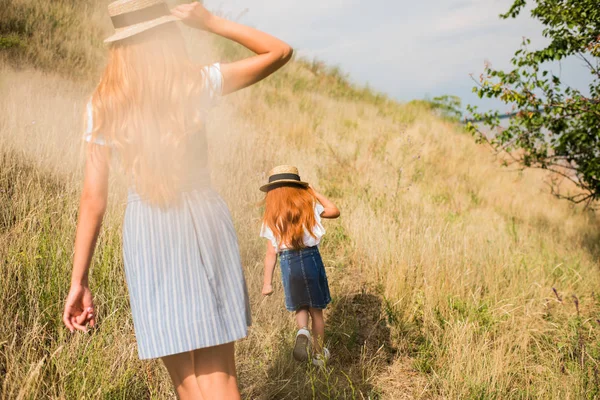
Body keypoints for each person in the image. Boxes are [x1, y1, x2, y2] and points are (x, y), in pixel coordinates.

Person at [62, 1, 293, 398]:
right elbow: (279, 51)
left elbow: (93, 200)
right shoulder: (195, 83)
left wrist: (78, 281)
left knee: (187, 386)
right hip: (202, 218)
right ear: (168, 36)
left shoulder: (102, 104)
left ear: (119, 44)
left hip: (148, 232)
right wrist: (211, 22)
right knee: (219, 380)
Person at [259, 165, 340, 367]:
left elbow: (271, 253)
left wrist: (267, 283)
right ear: (299, 188)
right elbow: (334, 211)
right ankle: (318, 355)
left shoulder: (272, 216)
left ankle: (302, 330)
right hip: (310, 259)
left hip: (288, 264)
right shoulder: (308, 207)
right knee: (317, 311)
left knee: (301, 305)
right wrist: (313, 191)